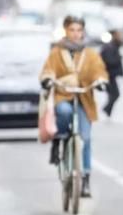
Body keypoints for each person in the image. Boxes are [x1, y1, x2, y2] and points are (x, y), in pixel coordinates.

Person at [40, 15, 109, 198]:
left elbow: (99, 71)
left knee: (85, 138)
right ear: (66, 30)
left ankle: (85, 178)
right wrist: (47, 79)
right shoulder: (57, 52)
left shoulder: (90, 54)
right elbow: (48, 70)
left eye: (79, 30)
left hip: (84, 96)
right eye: (72, 30)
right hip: (64, 94)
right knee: (63, 111)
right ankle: (59, 138)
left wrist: (101, 81)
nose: (76, 34)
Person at [99, 29, 123, 117]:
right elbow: (109, 61)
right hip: (108, 75)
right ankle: (106, 109)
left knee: (114, 94)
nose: (121, 37)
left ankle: (107, 110)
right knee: (115, 94)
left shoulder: (114, 45)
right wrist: (119, 58)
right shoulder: (109, 47)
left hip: (111, 75)